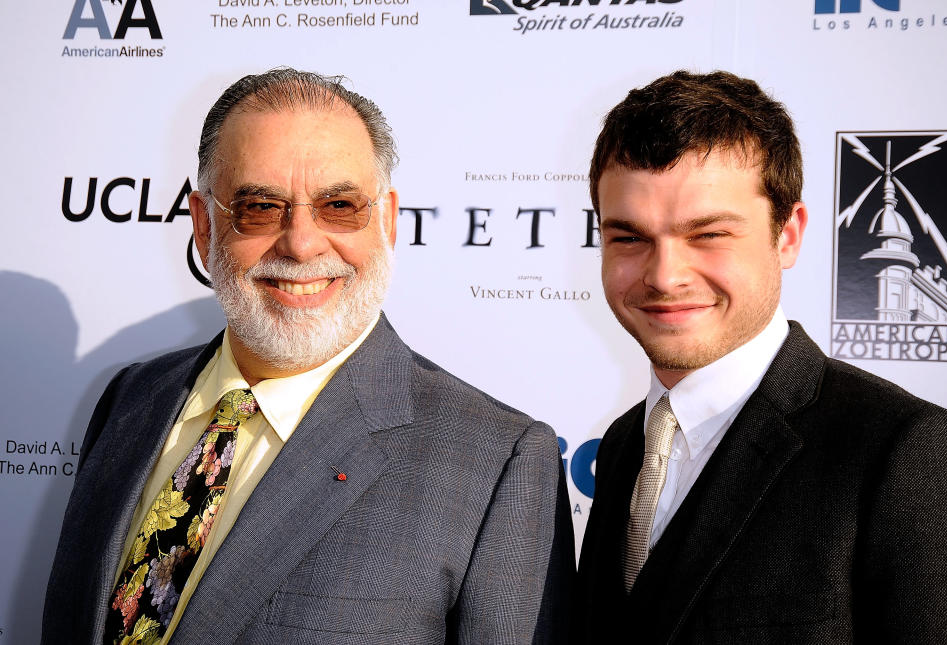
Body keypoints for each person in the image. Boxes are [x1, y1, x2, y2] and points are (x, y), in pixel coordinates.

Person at [42, 68, 573, 645]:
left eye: (339, 205)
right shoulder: (133, 398)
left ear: (389, 221)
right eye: (261, 207)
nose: (300, 242)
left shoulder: (496, 462)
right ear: (203, 226)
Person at [577, 70, 947, 643]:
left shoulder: (906, 452)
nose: (664, 275)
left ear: (788, 235)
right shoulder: (623, 444)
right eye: (629, 237)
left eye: (708, 235)